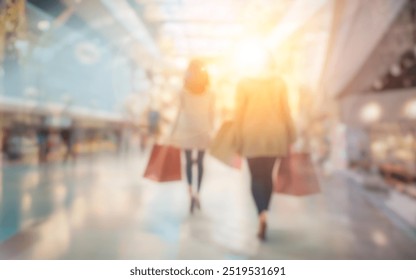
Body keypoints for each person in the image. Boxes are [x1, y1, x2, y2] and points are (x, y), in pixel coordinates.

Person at [234, 49, 296, 241]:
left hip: (251, 134)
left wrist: (237, 137)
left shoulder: (243, 83)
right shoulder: (279, 83)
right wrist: (292, 134)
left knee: (255, 177)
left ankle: (260, 213)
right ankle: (266, 213)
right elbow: (286, 110)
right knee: (268, 175)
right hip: (274, 135)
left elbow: (239, 113)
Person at [171, 59, 215, 213]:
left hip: (186, 130)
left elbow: (178, 113)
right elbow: (212, 114)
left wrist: (171, 132)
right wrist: (212, 131)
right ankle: (198, 193)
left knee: (189, 162)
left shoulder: (183, 92)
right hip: (204, 129)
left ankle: (190, 192)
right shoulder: (210, 92)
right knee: (201, 162)